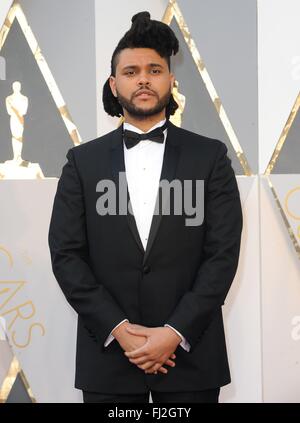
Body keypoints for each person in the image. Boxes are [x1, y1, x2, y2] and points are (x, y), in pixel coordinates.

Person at [48, 11, 243, 404]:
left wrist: (173, 332)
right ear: (113, 83)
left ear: (171, 80)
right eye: (131, 71)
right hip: (109, 361)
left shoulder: (211, 157)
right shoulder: (81, 163)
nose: (143, 79)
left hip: (190, 358)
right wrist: (121, 330)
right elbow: (67, 256)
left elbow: (221, 256)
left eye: (154, 70)